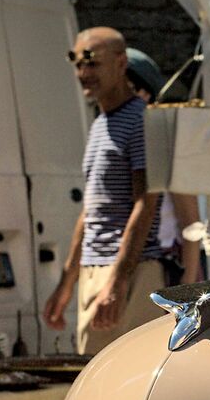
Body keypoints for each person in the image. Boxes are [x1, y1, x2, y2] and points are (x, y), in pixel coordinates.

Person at [43, 28, 163, 354]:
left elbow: (145, 203)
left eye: (93, 64)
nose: (84, 74)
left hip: (130, 273)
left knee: (127, 383)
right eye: (78, 64)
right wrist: (66, 284)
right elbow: (92, 209)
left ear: (121, 63)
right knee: (90, 381)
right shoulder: (100, 124)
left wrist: (117, 280)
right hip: (97, 270)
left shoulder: (141, 121)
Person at [125, 46, 201, 287]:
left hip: (162, 268)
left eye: (127, 89)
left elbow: (190, 222)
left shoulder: (163, 143)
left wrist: (187, 284)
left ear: (145, 94)